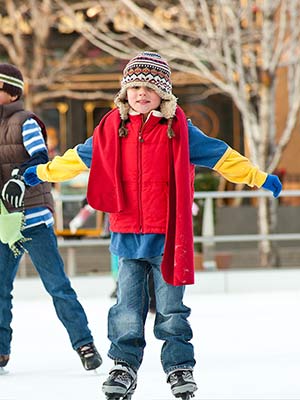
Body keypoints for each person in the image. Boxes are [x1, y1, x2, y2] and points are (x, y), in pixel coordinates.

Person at [20, 52, 282, 399]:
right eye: (134, 87)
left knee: (172, 309)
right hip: (128, 233)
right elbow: (76, 158)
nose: (141, 94)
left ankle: (178, 366)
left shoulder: (179, 131)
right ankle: (124, 365)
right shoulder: (113, 131)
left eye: (149, 87)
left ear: (163, 93)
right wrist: (42, 172)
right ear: (124, 92)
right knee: (126, 309)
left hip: (168, 236)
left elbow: (223, 156)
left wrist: (258, 177)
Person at [0, 63, 102, 372]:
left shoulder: (24, 121)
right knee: (0, 289)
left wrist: (21, 177)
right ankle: (1, 351)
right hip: (5, 222)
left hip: (31, 217)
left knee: (57, 284)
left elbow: (40, 156)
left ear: (9, 91)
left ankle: (84, 344)